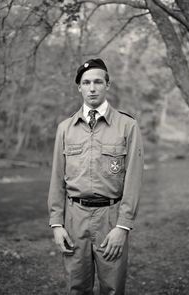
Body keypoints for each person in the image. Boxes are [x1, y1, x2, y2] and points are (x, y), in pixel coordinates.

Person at [48, 58, 144, 295]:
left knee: (112, 288)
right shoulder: (65, 128)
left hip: (110, 218)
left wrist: (123, 227)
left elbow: (133, 181)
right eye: (86, 82)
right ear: (79, 87)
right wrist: (56, 223)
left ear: (107, 85)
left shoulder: (127, 126)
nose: (92, 88)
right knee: (76, 287)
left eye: (98, 82)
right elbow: (57, 179)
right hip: (73, 218)